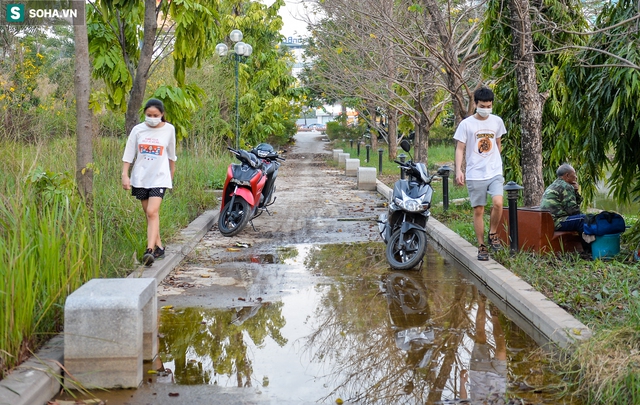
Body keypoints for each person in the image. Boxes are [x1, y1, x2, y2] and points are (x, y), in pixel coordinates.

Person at [122, 98, 177, 266]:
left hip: (159, 177)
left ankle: (149, 250)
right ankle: (159, 246)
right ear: (144, 114)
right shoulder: (138, 130)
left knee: (153, 212)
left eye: (156, 115)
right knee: (149, 214)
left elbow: (171, 155)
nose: (152, 118)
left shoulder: (169, 129)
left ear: (162, 115)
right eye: (149, 115)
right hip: (141, 177)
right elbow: (129, 153)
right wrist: (125, 174)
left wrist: (171, 175)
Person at [454, 87, 507, 261]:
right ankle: (481, 246)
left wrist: (494, 160)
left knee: (498, 203)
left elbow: (498, 143)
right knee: (479, 210)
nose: (486, 108)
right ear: (476, 104)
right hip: (475, 173)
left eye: (489, 105)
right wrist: (459, 170)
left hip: (494, 171)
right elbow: (460, 148)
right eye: (483, 105)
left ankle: (493, 233)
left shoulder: (497, 121)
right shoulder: (466, 124)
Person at [540, 163, 586, 232]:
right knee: (584, 219)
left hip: (548, 222)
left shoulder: (554, 184)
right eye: (574, 174)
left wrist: (575, 192)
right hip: (556, 222)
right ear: (567, 175)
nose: (576, 177)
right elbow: (573, 211)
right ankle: (586, 242)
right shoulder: (566, 186)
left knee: (581, 218)